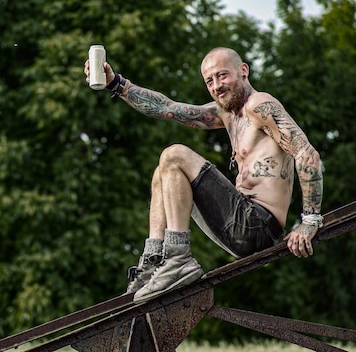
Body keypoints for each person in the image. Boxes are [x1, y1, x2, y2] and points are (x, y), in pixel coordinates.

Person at [84, 47, 323, 303]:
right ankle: (153, 261)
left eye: (222, 76)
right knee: (163, 172)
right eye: (210, 81)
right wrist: (117, 84)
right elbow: (168, 108)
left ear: (243, 71)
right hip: (237, 224)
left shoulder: (260, 105)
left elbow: (307, 154)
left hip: (258, 225)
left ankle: (177, 258)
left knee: (174, 154)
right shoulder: (227, 114)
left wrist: (310, 220)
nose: (217, 86)